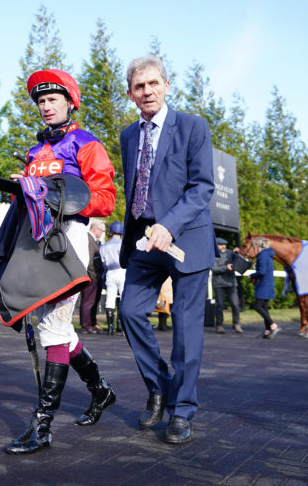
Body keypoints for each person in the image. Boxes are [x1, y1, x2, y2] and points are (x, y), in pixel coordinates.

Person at [4, 69, 117, 455]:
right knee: (57, 328)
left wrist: (53, 194)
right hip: (36, 240)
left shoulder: (86, 144)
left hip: (71, 240)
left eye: (52, 100)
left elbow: (105, 198)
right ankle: (100, 391)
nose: (45, 106)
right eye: (40, 101)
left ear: (70, 102)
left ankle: (43, 425)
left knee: (53, 324)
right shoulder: (36, 151)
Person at [117, 55, 216, 445]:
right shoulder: (128, 135)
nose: (148, 92)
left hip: (187, 239)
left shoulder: (193, 127)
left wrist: (169, 225)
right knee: (129, 311)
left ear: (167, 85)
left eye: (154, 83)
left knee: (186, 329)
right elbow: (136, 189)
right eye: (140, 87)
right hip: (145, 242)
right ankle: (160, 387)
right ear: (130, 94)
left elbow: (202, 187)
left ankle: (182, 410)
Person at [78, 220, 105, 333]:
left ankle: (91, 323)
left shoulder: (92, 240)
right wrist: (93, 276)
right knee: (88, 301)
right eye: (102, 230)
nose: (103, 233)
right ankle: (86, 325)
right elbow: (89, 260)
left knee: (92, 301)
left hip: (94, 276)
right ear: (95, 229)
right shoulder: (89, 239)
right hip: (91, 276)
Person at [249, 238, 280, 338]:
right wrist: (256, 266)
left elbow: (262, 272)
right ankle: (267, 330)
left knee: (257, 306)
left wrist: (252, 275)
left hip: (263, 285)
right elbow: (264, 268)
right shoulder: (267, 255)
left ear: (258, 246)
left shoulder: (262, 255)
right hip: (268, 284)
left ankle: (273, 325)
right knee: (264, 308)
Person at [99, 221, 126, 335]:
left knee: (110, 299)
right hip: (122, 270)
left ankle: (110, 327)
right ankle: (121, 325)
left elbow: (103, 262)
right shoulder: (123, 244)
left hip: (110, 272)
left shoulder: (104, 245)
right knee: (123, 298)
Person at [211, 237, 242, 334]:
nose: (223, 246)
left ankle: (236, 324)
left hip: (231, 283)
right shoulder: (212, 255)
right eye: (220, 245)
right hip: (219, 283)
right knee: (220, 305)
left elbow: (239, 260)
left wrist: (238, 253)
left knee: (235, 304)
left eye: (224, 244)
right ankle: (219, 325)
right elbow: (213, 269)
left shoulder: (230, 253)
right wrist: (226, 267)